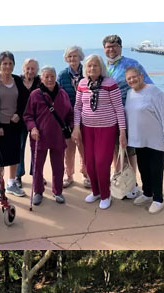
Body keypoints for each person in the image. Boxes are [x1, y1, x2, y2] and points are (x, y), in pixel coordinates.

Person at [72, 54, 126, 209]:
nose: (92, 68)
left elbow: (119, 109)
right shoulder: (82, 84)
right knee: (89, 162)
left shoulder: (110, 84)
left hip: (107, 128)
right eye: (89, 66)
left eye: (95, 65)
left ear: (101, 67)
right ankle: (96, 192)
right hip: (87, 128)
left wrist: (122, 132)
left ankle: (105, 194)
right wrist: (76, 127)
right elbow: (77, 107)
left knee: (102, 163)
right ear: (85, 68)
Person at [104, 34, 153, 198]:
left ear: (120, 47)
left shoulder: (131, 64)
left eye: (114, 46)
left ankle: (132, 183)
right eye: (108, 47)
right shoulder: (104, 66)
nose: (111, 49)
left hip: (128, 115)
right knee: (115, 150)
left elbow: (148, 85)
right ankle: (119, 178)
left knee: (129, 150)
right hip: (110, 117)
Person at [124, 65, 164, 214]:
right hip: (139, 140)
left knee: (156, 170)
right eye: (128, 79)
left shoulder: (154, 92)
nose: (132, 80)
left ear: (141, 76)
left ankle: (158, 199)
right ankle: (147, 193)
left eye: (134, 77)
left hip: (157, 140)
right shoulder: (129, 94)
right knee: (143, 169)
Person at [24, 65, 73, 206]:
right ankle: (38, 192)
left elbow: (69, 113)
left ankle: (58, 191)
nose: (50, 79)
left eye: (52, 76)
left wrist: (71, 126)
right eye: (47, 76)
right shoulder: (35, 95)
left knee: (58, 166)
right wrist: (32, 128)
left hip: (58, 137)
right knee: (37, 167)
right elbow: (27, 116)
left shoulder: (63, 93)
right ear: (41, 78)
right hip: (39, 137)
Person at [0, 50, 28, 197]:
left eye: (10, 63)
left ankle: (11, 183)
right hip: (0, 127)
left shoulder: (17, 80)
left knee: (14, 155)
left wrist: (19, 115)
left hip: (14, 125)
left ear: (14, 65)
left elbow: (24, 101)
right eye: (4, 63)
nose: (7, 66)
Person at [57, 45, 88, 188]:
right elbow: (57, 95)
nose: (72, 59)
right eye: (69, 56)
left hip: (85, 115)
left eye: (75, 56)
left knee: (84, 146)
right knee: (68, 148)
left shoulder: (87, 71)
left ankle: (86, 174)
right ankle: (68, 174)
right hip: (67, 117)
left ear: (80, 57)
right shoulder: (62, 75)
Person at [16, 58, 42, 188]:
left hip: (36, 122)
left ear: (37, 70)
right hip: (19, 121)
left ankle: (36, 175)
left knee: (36, 149)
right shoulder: (16, 81)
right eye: (28, 68)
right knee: (19, 148)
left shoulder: (40, 81)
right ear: (23, 68)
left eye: (33, 68)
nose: (30, 71)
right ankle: (18, 176)